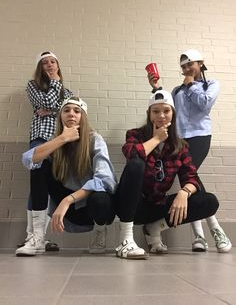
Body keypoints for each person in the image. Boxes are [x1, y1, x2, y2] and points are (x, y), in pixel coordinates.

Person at [115, 89, 219, 259]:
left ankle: (154, 228)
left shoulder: (180, 146)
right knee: (136, 164)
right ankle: (125, 239)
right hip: (132, 206)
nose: (161, 116)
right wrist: (156, 139)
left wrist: (184, 193)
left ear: (173, 113)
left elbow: (192, 178)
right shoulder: (135, 134)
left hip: (157, 206)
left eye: (166, 111)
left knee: (208, 201)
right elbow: (131, 154)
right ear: (149, 114)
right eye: (156, 111)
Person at [148, 49, 232, 253]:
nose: (186, 69)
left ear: (200, 64)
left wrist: (191, 85)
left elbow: (204, 104)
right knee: (191, 179)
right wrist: (156, 87)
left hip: (200, 136)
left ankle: (212, 231)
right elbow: (168, 109)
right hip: (180, 139)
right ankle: (201, 236)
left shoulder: (210, 84)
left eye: (190, 64)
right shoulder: (177, 91)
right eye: (183, 66)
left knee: (190, 178)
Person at [16, 96, 117, 256]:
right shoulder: (55, 141)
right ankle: (38, 237)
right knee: (39, 162)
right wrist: (62, 138)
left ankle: (99, 231)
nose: (71, 114)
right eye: (67, 110)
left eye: (77, 111)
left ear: (83, 117)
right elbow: (28, 160)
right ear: (60, 116)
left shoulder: (95, 139)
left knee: (101, 198)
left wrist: (67, 200)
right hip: (69, 211)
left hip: (90, 208)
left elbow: (105, 180)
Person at [17, 51, 73, 254]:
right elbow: (48, 103)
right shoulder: (33, 85)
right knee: (37, 182)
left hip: (59, 141)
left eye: (52, 62)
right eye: (44, 63)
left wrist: (50, 110)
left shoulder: (68, 91)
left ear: (58, 65)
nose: (49, 65)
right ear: (40, 68)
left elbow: (68, 112)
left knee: (48, 185)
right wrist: (55, 85)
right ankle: (31, 236)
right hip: (40, 138)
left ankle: (40, 236)